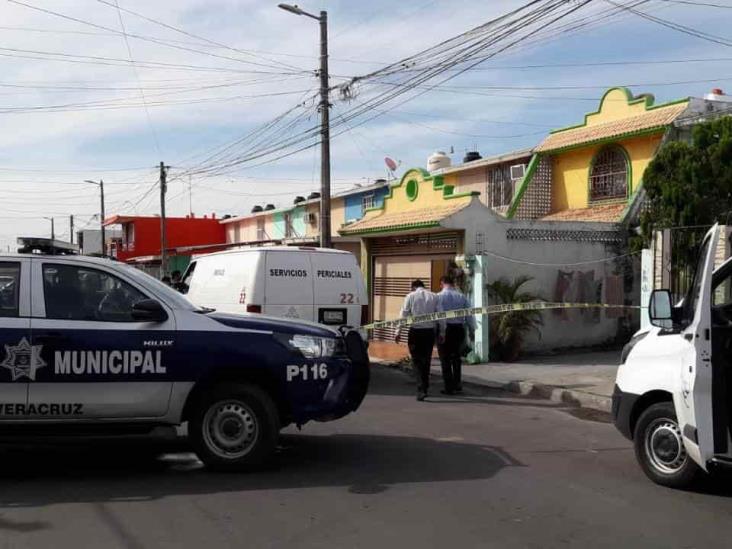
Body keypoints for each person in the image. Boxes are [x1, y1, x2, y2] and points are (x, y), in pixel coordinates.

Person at [395, 279, 437, 401]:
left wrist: (398, 332)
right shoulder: (434, 296)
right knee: (426, 359)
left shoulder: (410, 296)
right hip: (429, 332)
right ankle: (425, 386)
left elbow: (403, 315)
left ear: (413, 287)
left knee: (417, 360)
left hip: (416, 332)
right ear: (423, 286)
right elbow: (441, 314)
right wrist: (442, 332)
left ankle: (421, 389)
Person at [436, 275, 474, 395]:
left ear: (442, 283)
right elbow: (469, 314)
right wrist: (472, 330)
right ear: (453, 284)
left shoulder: (438, 297)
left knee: (445, 359)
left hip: (445, 329)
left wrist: (438, 331)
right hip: (458, 329)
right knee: (456, 358)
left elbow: (437, 315)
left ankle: (449, 386)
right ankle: (457, 384)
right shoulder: (461, 296)